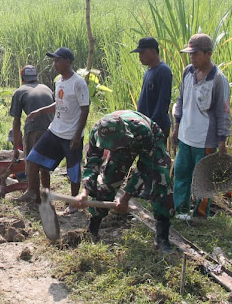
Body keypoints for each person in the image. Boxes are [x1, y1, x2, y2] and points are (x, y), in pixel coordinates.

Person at [74, 110, 174, 252]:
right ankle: (93, 228)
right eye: (110, 146)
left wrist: (126, 197)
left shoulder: (142, 130)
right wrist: (84, 192)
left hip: (149, 139)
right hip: (124, 141)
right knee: (108, 180)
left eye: (114, 145)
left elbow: (144, 167)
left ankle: (162, 237)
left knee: (161, 179)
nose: (112, 149)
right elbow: (92, 164)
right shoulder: (97, 132)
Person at [172, 33, 231, 218]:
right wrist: (176, 126)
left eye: (195, 54)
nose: (192, 57)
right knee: (182, 174)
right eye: (190, 54)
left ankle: (199, 213)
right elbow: (180, 100)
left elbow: (223, 112)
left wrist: (222, 140)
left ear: (208, 54)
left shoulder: (218, 80)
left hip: (205, 139)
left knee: (203, 178)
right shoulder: (188, 72)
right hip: (185, 135)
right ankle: (180, 210)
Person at [26, 47, 90, 214]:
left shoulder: (78, 83)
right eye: (54, 60)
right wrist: (40, 111)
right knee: (34, 158)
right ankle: (35, 193)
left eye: (58, 60)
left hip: (71, 135)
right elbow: (59, 103)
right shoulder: (59, 81)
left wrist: (77, 135)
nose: (55, 63)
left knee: (73, 170)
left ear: (67, 62)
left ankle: (74, 202)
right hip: (55, 130)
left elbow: (85, 109)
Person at [131, 37, 172, 198]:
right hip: (145, 123)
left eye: (143, 53)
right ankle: (146, 188)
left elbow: (163, 102)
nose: (140, 56)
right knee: (145, 157)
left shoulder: (163, 71)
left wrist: (153, 125)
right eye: (139, 53)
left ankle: (156, 190)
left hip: (156, 125)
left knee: (156, 159)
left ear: (154, 52)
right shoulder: (149, 71)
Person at [9, 65, 54, 203]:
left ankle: (33, 192)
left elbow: (16, 123)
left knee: (32, 162)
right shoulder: (46, 88)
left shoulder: (20, 91)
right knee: (44, 163)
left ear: (22, 78)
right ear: (36, 78)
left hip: (34, 129)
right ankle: (46, 193)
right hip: (51, 129)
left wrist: (16, 148)